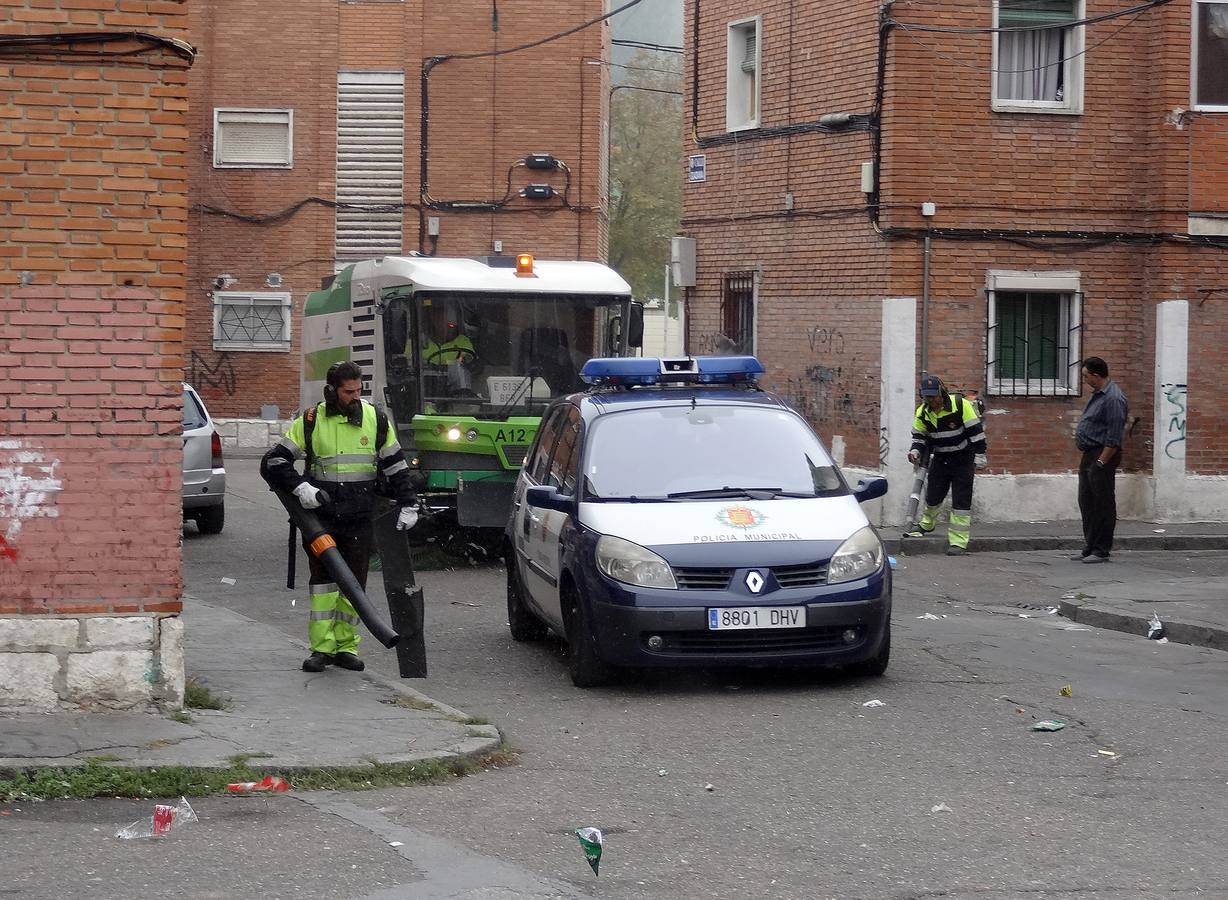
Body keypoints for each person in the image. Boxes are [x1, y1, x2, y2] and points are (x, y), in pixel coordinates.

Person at [261, 361, 420, 672]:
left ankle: (346, 647)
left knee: (354, 584)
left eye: (359, 390)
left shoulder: (375, 418)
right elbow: (274, 462)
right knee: (323, 584)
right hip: (322, 518)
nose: (355, 397)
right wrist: (301, 488)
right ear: (331, 391)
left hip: (360, 517)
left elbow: (396, 465)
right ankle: (321, 649)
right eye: (349, 391)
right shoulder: (311, 420)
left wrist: (409, 502)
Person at [904, 375, 987, 556]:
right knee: (933, 495)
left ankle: (958, 542)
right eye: (927, 397)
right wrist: (915, 451)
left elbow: (976, 432)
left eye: (934, 396)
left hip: (963, 458)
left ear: (942, 392)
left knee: (961, 500)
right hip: (941, 457)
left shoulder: (960, 405)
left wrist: (980, 455)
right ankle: (927, 524)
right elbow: (919, 437)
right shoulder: (923, 413)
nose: (932, 400)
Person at [1072, 356, 1128, 563]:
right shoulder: (1098, 395)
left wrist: (1101, 462)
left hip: (1102, 455)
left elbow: (1114, 436)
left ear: (1096, 375)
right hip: (1090, 454)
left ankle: (1101, 549)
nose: (1084, 379)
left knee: (1102, 502)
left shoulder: (1113, 398)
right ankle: (1090, 545)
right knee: (1087, 501)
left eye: (1086, 376)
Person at [420, 302, 475, 367]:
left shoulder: (463, 341)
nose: (441, 321)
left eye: (445, 318)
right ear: (432, 320)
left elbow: (467, 361)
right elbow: (409, 361)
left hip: (456, 376)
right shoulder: (419, 340)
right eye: (438, 318)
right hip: (423, 376)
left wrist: (449, 365)